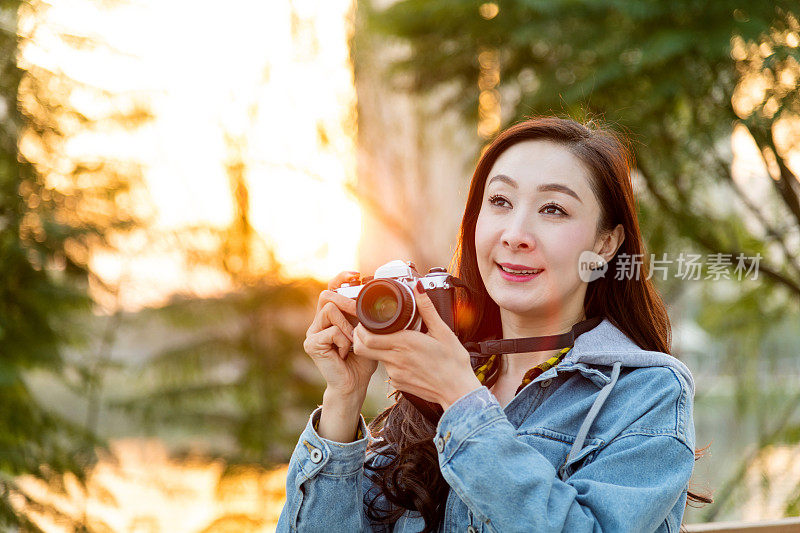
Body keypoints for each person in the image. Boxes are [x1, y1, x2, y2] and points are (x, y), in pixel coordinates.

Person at [277, 117, 710, 532]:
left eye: (553, 209)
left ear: (605, 243)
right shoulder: (439, 373)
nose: (515, 233)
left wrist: (461, 399)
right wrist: (343, 400)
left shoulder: (647, 390)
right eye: (500, 202)